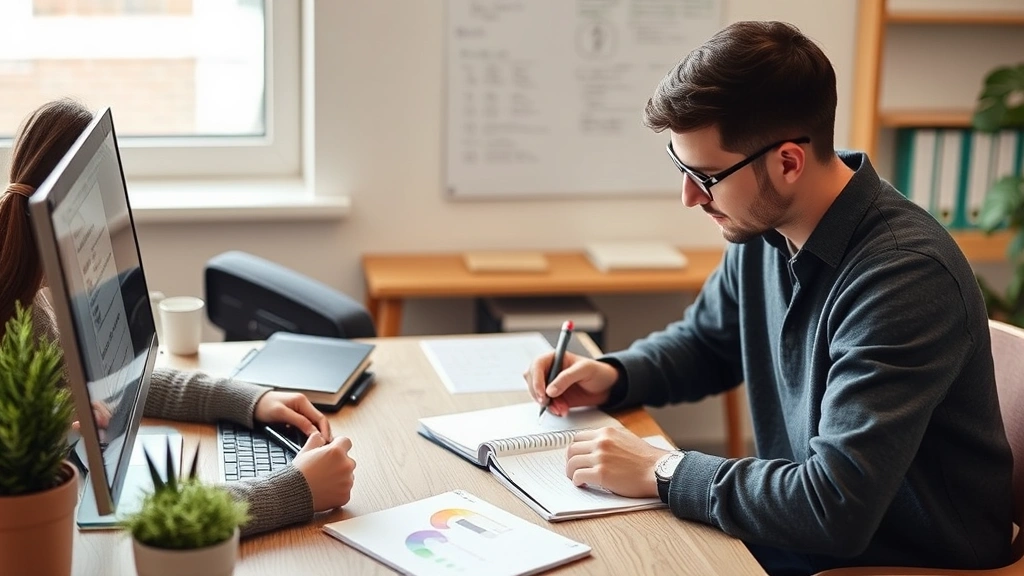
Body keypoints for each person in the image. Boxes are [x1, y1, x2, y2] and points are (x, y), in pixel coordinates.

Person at [525, 21, 1013, 575]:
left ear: (787, 162)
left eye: (706, 175)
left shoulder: (905, 277)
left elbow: (835, 505)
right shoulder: (767, 225)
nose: (689, 197)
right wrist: (614, 374)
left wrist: (663, 470)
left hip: (903, 558)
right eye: (681, 168)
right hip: (804, 527)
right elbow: (708, 342)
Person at [1, 99, 356, 537]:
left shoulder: (28, 310)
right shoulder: (20, 336)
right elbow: (154, 527)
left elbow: (124, 384)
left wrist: (250, 401)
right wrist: (297, 489)